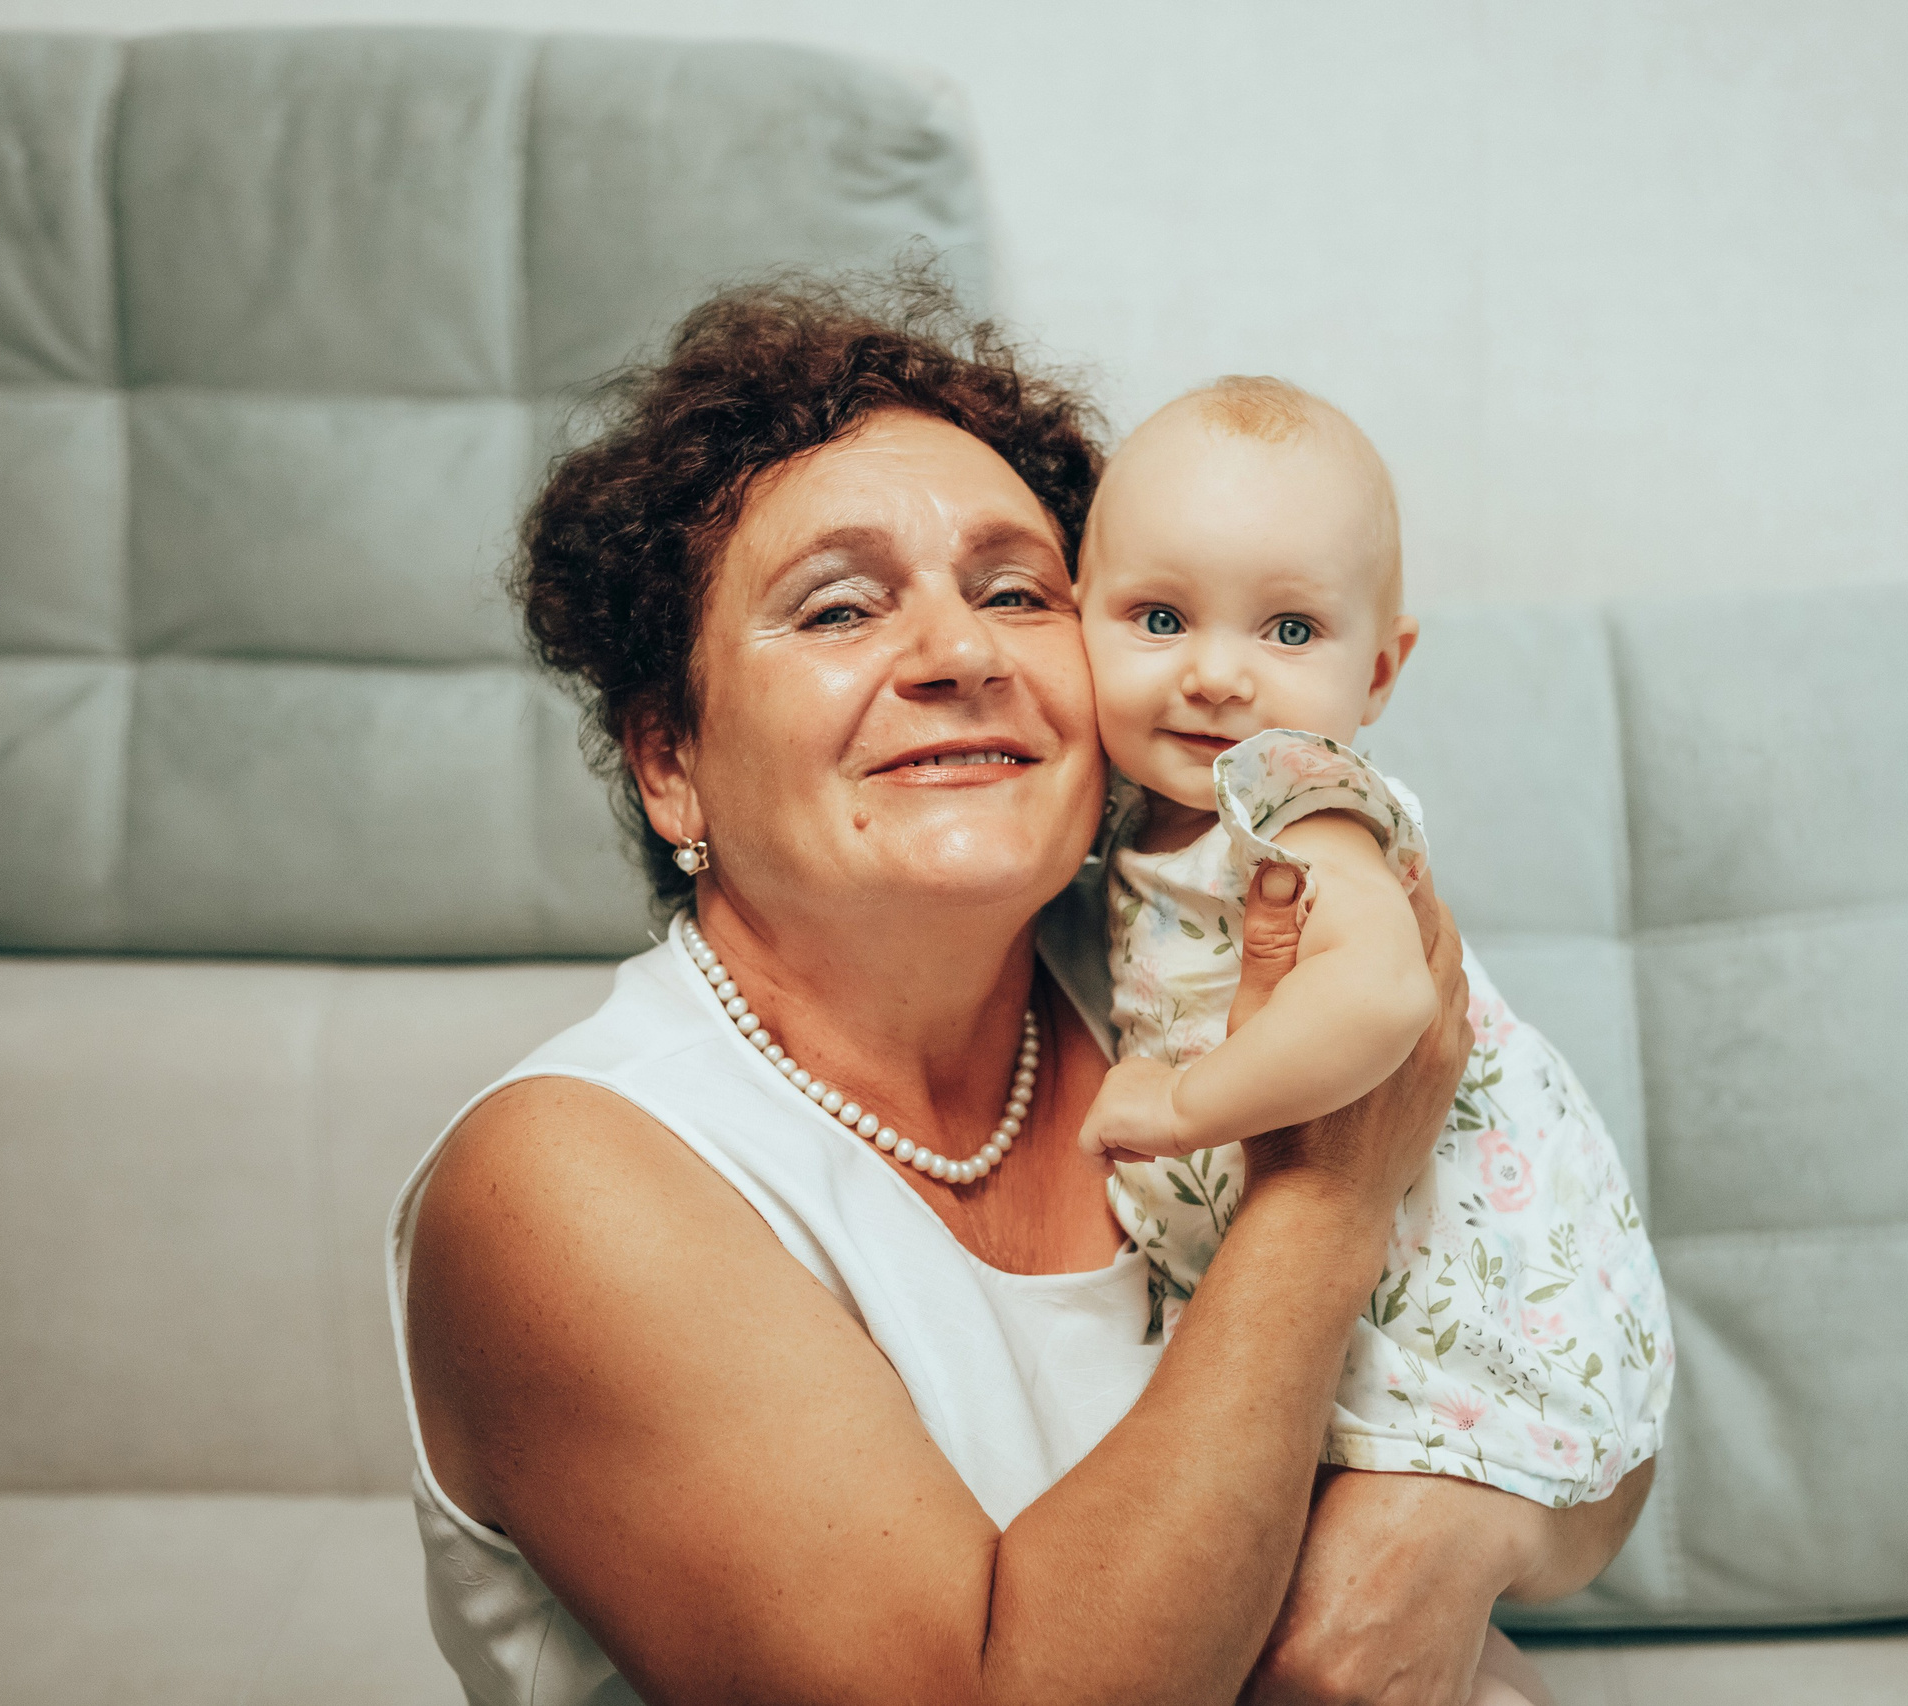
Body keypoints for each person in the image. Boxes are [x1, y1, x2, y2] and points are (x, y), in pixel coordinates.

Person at [387, 274, 1653, 1706]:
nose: (962, 651)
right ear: (670, 757)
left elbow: (1587, 1406)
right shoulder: (568, 1181)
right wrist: (1328, 1197)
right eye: (840, 608)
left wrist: (1452, 1524)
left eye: (1015, 591)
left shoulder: (1188, 966)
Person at [1073, 377, 1673, 1515]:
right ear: (1076, 613)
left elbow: (1382, 995)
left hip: (1431, 1278)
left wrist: (1183, 1104)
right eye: (1159, 618)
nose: (1214, 672)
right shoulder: (1133, 812)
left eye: (1288, 628)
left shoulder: (1293, 789)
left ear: (1379, 673)